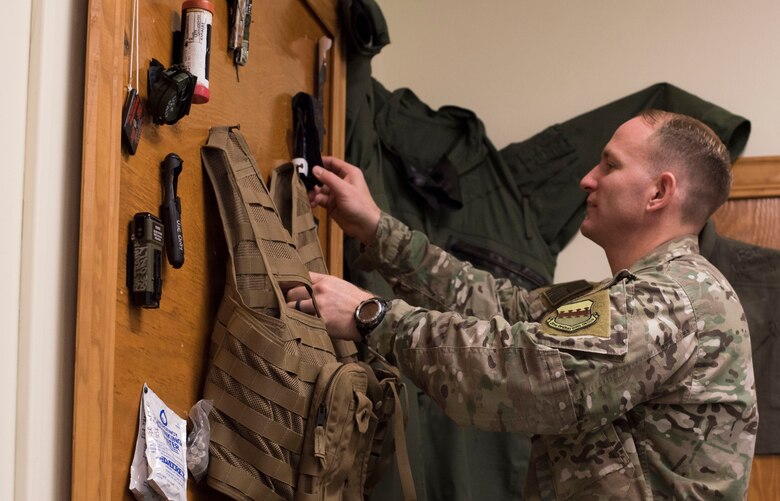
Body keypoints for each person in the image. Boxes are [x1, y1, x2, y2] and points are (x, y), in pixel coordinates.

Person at [284, 110, 758, 499]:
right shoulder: (635, 296)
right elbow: (500, 308)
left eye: (610, 166)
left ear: (659, 191)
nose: (587, 180)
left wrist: (373, 317)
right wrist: (375, 228)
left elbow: (522, 375)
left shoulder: (673, 301)